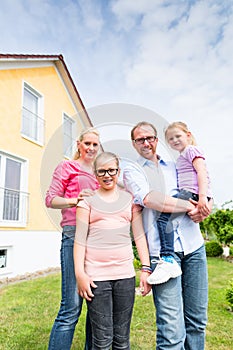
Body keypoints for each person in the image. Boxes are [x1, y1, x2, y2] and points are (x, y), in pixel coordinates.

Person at [123, 121, 212, 350]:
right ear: (134, 144)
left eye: (150, 137)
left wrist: (205, 204)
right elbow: (150, 198)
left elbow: (198, 182)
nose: (146, 143)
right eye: (140, 139)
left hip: (194, 247)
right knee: (171, 331)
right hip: (162, 257)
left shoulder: (176, 165)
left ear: (156, 140)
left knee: (197, 323)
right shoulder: (133, 170)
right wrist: (189, 206)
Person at [74, 152, 151, 350]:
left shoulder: (129, 201)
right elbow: (80, 239)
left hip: (124, 276)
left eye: (112, 170)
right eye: (102, 171)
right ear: (95, 174)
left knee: (122, 340)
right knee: (102, 340)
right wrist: (80, 274)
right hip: (96, 277)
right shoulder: (87, 201)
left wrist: (145, 268)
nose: (107, 175)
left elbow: (139, 236)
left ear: (118, 171)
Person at [45, 127, 100, 350]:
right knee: (71, 307)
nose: (91, 148)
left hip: (96, 239)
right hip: (73, 233)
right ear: (79, 144)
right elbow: (51, 199)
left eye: (95, 145)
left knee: (95, 306)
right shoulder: (67, 167)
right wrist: (74, 200)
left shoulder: (99, 172)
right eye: (87, 143)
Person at [147, 121, 212, 284]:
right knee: (171, 220)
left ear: (188, 136)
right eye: (170, 139)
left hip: (192, 193)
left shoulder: (191, 150)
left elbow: (202, 172)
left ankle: (168, 257)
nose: (174, 140)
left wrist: (203, 197)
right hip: (190, 193)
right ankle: (169, 256)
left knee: (163, 218)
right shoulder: (180, 157)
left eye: (178, 136)